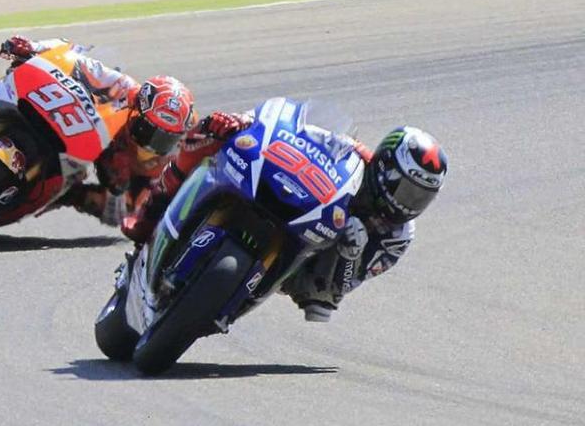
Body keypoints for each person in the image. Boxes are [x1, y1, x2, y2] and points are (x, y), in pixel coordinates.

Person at [122, 118, 448, 323]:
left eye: (421, 198)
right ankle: (152, 212)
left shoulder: (398, 236)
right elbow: (296, 133)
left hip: (309, 269)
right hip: (295, 205)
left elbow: (335, 294)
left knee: (320, 300)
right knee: (213, 133)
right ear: (385, 169)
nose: (409, 204)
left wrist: (349, 254)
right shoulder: (355, 154)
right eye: (407, 190)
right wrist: (244, 123)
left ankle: (224, 302)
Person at [0, 36, 198, 225]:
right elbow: (73, 54)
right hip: (77, 124)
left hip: (91, 167)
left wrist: (83, 197)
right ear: (137, 110)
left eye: (165, 138)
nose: (153, 143)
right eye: (149, 130)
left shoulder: (160, 164)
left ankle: (45, 197)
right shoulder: (123, 88)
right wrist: (33, 48)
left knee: (105, 203)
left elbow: (134, 210)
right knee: (16, 74)